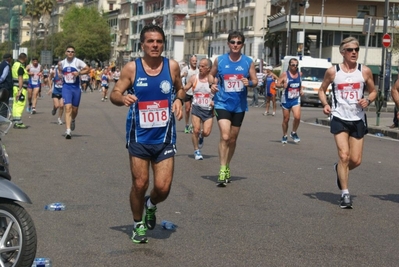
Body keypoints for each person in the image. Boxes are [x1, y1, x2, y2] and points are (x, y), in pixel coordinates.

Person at [110, 25, 185, 244]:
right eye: (150, 41)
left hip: (164, 137)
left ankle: (150, 205)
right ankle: (137, 224)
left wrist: (179, 99)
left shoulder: (171, 67)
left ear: (163, 44)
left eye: (159, 41)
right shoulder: (132, 69)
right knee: (140, 184)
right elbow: (115, 92)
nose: (155, 45)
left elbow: (181, 88)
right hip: (139, 136)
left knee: (162, 188)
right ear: (142, 44)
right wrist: (122, 98)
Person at [318, 37, 377, 209]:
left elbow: (373, 91)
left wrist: (368, 100)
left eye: (356, 50)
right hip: (339, 116)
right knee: (344, 155)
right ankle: (345, 194)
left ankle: (339, 169)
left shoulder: (364, 71)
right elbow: (322, 90)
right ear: (342, 52)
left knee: (355, 160)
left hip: (357, 118)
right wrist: (325, 104)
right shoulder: (333, 72)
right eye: (350, 50)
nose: (354, 53)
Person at [209, 31, 258, 186]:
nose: (235, 45)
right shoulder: (220, 60)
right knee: (224, 136)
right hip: (222, 103)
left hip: (239, 106)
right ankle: (222, 168)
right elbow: (211, 75)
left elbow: (255, 80)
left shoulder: (247, 62)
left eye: (238, 42)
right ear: (228, 43)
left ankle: (227, 164)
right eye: (233, 42)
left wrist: (249, 83)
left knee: (232, 139)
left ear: (242, 45)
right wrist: (213, 84)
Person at [184, 58, 214, 160]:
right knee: (195, 130)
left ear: (209, 68)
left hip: (208, 110)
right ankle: (196, 151)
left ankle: (202, 136)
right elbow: (185, 88)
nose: (199, 68)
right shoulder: (194, 78)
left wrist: (215, 101)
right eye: (199, 66)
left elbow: (219, 94)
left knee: (206, 132)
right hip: (196, 107)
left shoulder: (213, 80)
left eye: (202, 66)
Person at [60, 45, 89, 139]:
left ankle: (73, 119)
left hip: (76, 88)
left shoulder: (78, 61)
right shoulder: (62, 63)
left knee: (74, 109)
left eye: (72, 52)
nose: (70, 53)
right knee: (67, 107)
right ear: (65, 52)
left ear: (74, 53)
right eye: (68, 51)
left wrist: (79, 73)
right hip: (66, 87)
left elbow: (88, 69)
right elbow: (60, 72)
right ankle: (68, 131)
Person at [277, 58, 303, 144]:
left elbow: (300, 84)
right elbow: (277, 84)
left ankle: (293, 132)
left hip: (296, 99)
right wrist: (282, 85)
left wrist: (301, 90)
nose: (295, 67)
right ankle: (285, 135)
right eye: (293, 65)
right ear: (289, 65)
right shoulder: (285, 74)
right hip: (286, 99)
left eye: (296, 65)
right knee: (286, 119)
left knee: (297, 117)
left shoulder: (300, 74)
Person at [181, 55, 198, 133]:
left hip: (195, 92)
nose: (195, 62)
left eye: (195, 61)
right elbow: (179, 76)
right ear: (190, 61)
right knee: (187, 109)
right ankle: (187, 125)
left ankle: (192, 125)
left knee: (193, 110)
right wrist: (182, 75)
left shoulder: (198, 70)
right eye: (193, 61)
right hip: (187, 91)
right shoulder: (186, 68)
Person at [12, 53, 29, 128]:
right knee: (20, 104)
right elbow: (20, 78)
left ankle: (15, 120)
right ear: (24, 58)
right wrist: (20, 90)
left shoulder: (15, 65)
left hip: (15, 87)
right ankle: (18, 122)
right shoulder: (20, 66)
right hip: (20, 88)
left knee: (15, 104)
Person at [0, 54, 13, 118]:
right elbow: (3, 77)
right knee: (4, 103)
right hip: (5, 87)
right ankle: (3, 118)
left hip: (1, 86)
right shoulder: (6, 66)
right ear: (9, 58)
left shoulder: (1, 64)